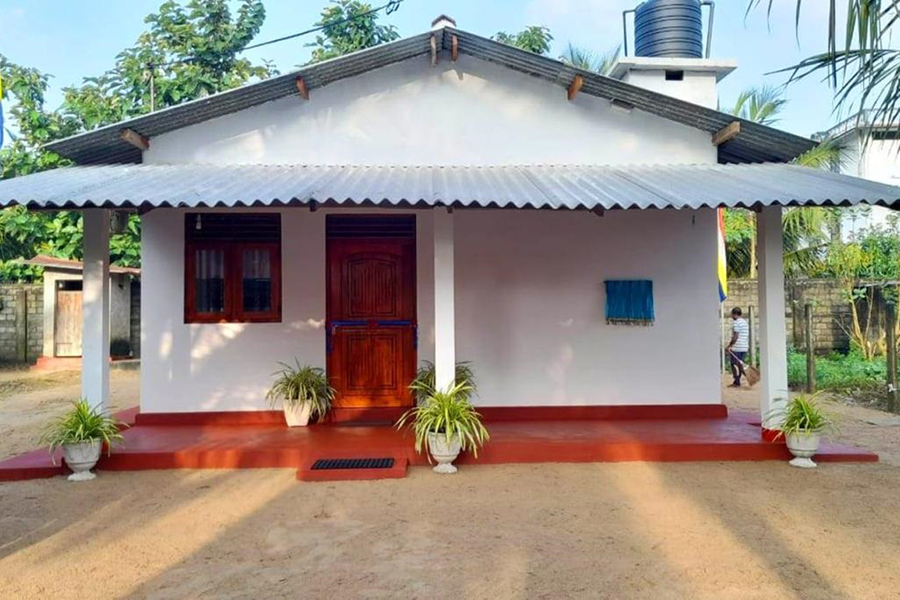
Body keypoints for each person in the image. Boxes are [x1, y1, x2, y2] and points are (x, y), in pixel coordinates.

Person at [726, 307, 750, 388]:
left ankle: (737, 381)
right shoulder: (744, 322)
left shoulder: (736, 323)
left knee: (734, 364)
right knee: (740, 364)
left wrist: (730, 345)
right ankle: (739, 380)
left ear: (734, 314)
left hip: (737, 347)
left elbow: (736, 336)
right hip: (744, 347)